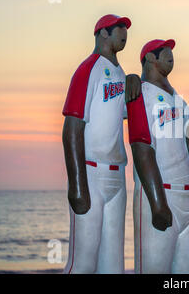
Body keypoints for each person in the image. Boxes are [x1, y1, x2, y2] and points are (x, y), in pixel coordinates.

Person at [61, 14, 141, 273]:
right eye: (119, 27)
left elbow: (132, 114)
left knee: (112, 265)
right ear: (102, 33)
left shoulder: (120, 72)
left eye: (125, 28)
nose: (124, 31)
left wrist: (136, 81)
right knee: (82, 264)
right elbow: (71, 128)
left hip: (117, 178)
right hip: (91, 173)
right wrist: (77, 184)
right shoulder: (89, 68)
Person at [126, 39, 189, 273]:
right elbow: (142, 149)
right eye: (164, 51)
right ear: (150, 58)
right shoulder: (140, 94)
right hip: (162, 193)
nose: (170, 54)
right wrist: (157, 203)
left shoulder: (179, 101)